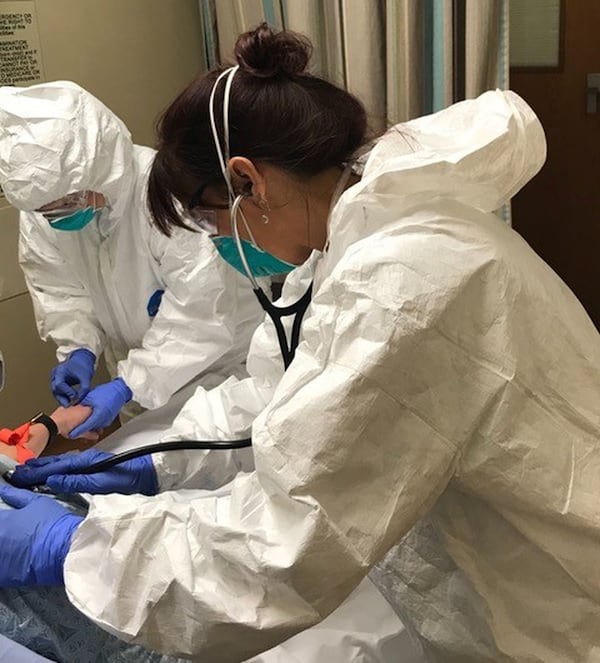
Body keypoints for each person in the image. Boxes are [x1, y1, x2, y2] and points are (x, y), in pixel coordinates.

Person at [1, 23, 600, 663]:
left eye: (208, 220)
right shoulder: (361, 242)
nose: (217, 243)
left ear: (247, 183)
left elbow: (283, 550)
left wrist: (76, 548)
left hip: (553, 602)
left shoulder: (400, 283)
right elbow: (276, 394)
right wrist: (151, 462)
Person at [0, 81, 265, 437]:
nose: (57, 215)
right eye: (45, 210)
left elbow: (203, 312)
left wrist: (130, 383)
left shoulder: (169, 192)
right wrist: (79, 348)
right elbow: (59, 288)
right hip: (137, 385)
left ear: (99, 169)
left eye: (66, 200)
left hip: (220, 379)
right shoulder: (41, 207)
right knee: (140, 479)